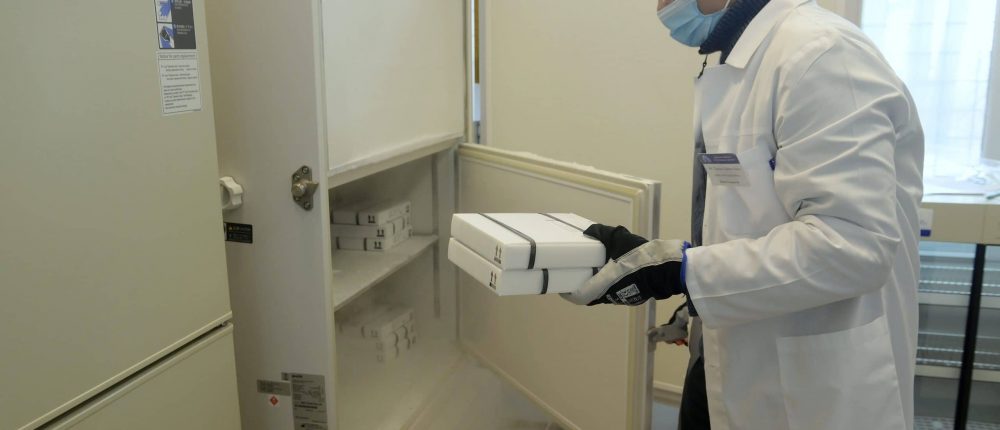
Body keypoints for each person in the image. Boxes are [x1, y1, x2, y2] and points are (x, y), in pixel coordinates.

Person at [561, 0, 924, 429]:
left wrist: (683, 272)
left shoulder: (822, 53)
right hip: (727, 355)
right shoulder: (742, 63)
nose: (659, 5)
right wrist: (695, 292)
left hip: (813, 392)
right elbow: (753, 218)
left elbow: (852, 246)